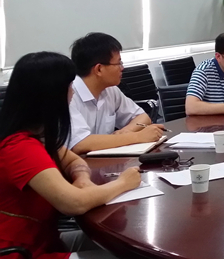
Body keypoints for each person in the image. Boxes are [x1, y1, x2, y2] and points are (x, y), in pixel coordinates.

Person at [0, 52, 141, 259]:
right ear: (51, 95)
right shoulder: (20, 148)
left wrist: (82, 178)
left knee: (127, 248)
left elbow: (72, 160)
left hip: (46, 242)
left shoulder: (38, 135)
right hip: (23, 253)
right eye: (69, 86)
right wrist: (123, 183)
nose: (72, 92)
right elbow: (74, 203)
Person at [68, 33, 165, 155]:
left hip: (104, 161)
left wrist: (126, 131)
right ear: (99, 69)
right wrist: (137, 137)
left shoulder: (110, 90)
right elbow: (80, 144)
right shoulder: (68, 95)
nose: (122, 68)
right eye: (118, 63)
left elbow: (142, 117)